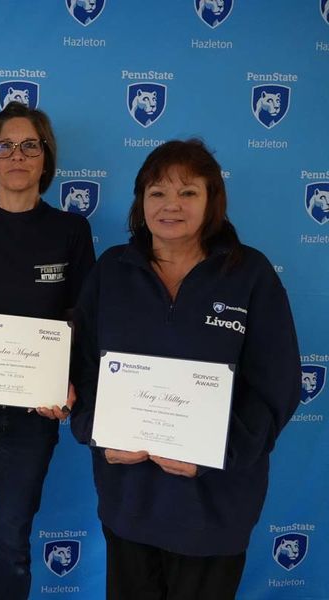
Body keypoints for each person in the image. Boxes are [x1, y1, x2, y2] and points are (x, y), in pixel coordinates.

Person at [70, 139, 301, 599]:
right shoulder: (111, 271)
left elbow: (275, 386)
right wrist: (94, 431)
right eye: (157, 192)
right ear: (141, 202)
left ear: (212, 200)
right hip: (130, 497)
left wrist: (218, 453)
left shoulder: (250, 274)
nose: (171, 205)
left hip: (215, 505)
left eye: (188, 192)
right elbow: (81, 367)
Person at [0, 101, 95, 600]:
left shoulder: (71, 231)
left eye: (30, 145)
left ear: (45, 159)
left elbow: (79, 323)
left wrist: (65, 384)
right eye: (4, 146)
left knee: (12, 543)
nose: (17, 155)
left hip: (33, 415)